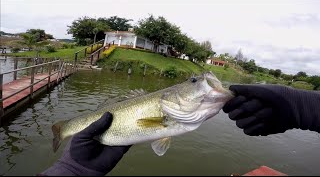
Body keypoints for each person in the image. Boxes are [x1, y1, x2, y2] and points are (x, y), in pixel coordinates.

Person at [41, 84, 320, 176]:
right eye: (194, 82)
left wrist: (71, 171)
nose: (202, 84)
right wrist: (74, 170)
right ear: (170, 99)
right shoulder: (167, 114)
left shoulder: (174, 116)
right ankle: (64, 130)